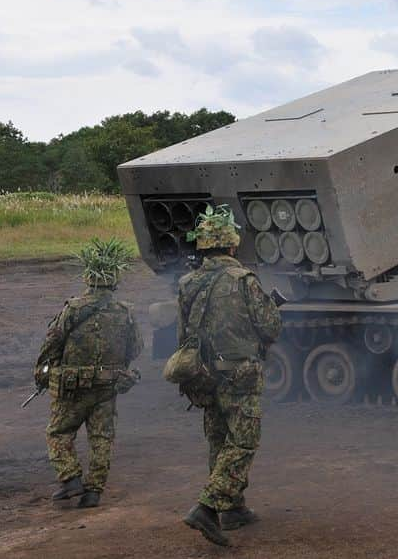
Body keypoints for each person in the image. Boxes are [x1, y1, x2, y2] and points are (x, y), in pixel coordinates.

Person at [178, 205, 281, 547]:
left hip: (205, 375)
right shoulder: (244, 281)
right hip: (240, 375)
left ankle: (233, 509)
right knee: (244, 441)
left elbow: (183, 334)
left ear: (204, 247)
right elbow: (270, 329)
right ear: (232, 246)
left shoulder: (187, 283)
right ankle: (207, 507)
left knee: (219, 441)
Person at [35, 238, 142, 508]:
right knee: (101, 437)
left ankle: (70, 479)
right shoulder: (125, 312)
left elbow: (51, 345)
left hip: (72, 388)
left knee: (58, 433)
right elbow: (136, 348)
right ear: (114, 280)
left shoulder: (73, 309)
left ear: (88, 278)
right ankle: (93, 492)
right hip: (107, 386)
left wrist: (43, 376)